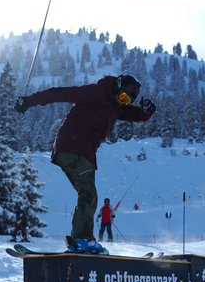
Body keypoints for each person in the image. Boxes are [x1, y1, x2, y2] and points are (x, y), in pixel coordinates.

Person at [14, 74, 155, 254]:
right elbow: (61, 93)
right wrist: (29, 101)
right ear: (117, 87)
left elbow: (134, 115)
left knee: (87, 194)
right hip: (74, 146)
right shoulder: (96, 93)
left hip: (80, 151)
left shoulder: (115, 106)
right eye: (123, 97)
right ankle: (82, 239)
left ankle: (80, 239)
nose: (123, 102)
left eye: (127, 101)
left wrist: (146, 112)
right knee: (89, 194)